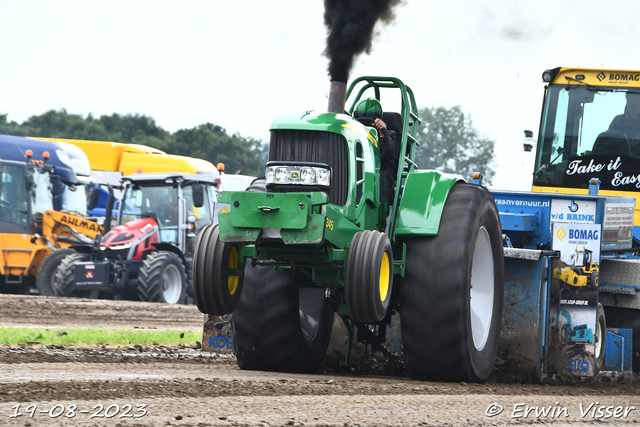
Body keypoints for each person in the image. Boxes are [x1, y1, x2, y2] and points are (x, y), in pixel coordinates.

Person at [353, 98, 400, 206]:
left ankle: (381, 216)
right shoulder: (353, 134)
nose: (365, 125)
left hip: (381, 170)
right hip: (357, 168)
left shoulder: (390, 135)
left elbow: (392, 154)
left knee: (381, 177)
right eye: (361, 122)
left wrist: (382, 134)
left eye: (368, 122)